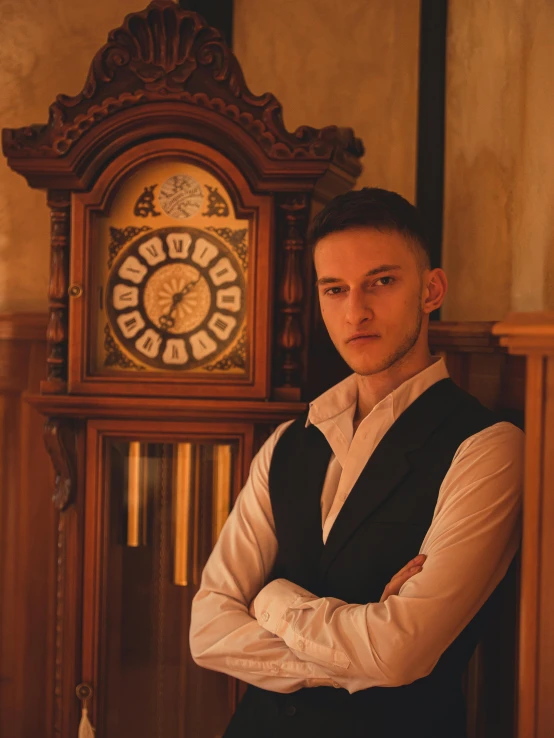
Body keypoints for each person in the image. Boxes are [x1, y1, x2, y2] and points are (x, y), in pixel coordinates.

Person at [189, 188, 523, 738]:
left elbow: (400, 653)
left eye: (381, 282)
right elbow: (207, 629)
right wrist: (358, 651)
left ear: (431, 290)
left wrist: (270, 600)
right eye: (335, 289)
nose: (356, 311)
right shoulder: (286, 443)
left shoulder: (486, 447)